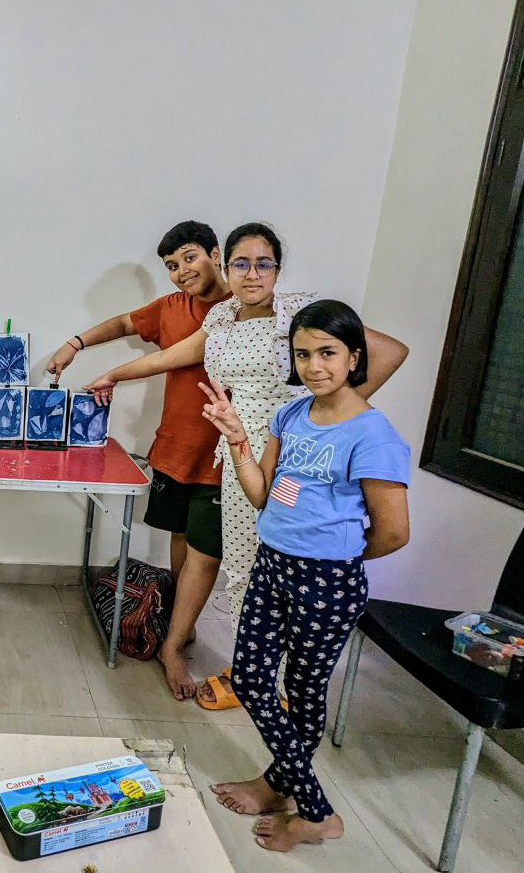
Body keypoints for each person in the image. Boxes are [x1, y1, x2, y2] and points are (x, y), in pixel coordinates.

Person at [86, 223, 408, 708]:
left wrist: (334, 412)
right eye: (242, 264)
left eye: (263, 264)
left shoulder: (297, 312)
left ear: (277, 268)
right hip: (238, 455)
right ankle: (250, 675)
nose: (252, 273)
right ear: (226, 265)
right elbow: (170, 358)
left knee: (293, 571)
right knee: (247, 568)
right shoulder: (222, 318)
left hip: (292, 457)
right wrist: (113, 373)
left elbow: (390, 351)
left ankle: (284, 685)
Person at [198, 299, 410, 853]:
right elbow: (263, 495)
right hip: (272, 565)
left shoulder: (373, 435)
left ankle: (306, 808)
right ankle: (300, 797)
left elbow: (393, 532)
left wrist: (333, 555)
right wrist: (238, 442)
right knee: (251, 681)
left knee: (303, 690)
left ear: (354, 357)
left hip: (327, 580)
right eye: (302, 354)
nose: (314, 366)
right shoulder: (291, 416)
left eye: (327, 353)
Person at [47, 220, 230, 700]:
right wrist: (75, 343)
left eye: (190, 257)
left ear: (215, 253)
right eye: (171, 265)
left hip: (224, 455)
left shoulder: (241, 312)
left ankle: (171, 646)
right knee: (180, 537)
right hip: (174, 448)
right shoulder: (171, 307)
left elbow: (168, 359)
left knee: (206, 553)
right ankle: (182, 626)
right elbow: (125, 324)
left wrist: (113, 374)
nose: (181, 271)